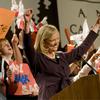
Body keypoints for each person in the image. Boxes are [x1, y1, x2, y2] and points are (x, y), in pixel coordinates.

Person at [23, 15, 100, 100]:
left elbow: (81, 49)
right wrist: (26, 26)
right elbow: (27, 47)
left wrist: (97, 26)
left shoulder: (61, 56)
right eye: (53, 40)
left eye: (57, 39)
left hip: (68, 95)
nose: (57, 43)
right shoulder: (38, 59)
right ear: (43, 41)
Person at [0, 34, 39, 100]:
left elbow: (19, 63)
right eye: (4, 45)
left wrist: (14, 44)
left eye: (8, 43)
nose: (8, 45)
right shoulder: (3, 65)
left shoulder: (18, 59)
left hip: (32, 94)